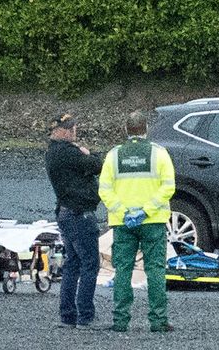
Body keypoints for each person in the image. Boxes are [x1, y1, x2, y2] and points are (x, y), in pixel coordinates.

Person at [99, 110, 176, 333]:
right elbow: (168, 186)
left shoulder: (114, 155)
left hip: (123, 223)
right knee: (155, 270)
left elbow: (105, 189)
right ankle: (158, 321)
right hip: (153, 221)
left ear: (126, 130)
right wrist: (146, 211)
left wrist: (124, 212)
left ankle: (120, 321)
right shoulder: (159, 154)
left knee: (122, 270)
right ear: (146, 129)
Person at [45, 113, 103, 329]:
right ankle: (85, 315)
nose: (74, 132)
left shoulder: (52, 152)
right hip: (79, 213)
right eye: (71, 128)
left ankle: (67, 315)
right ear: (62, 131)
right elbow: (98, 165)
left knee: (72, 263)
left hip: (65, 212)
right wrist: (90, 153)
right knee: (89, 263)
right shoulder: (69, 154)